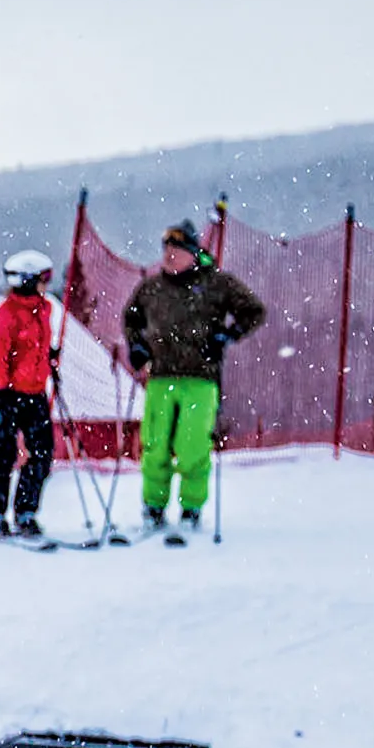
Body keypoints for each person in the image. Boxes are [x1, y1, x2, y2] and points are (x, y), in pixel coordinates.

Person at [121, 220, 264, 536]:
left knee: (192, 446)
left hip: (200, 378)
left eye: (177, 249)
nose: (169, 255)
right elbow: (130, 318)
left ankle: (191, 507)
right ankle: (154, 506)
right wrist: (137, 346)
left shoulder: (216, 284)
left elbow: (254, 310)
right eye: (166, 249)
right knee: (155, 445)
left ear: (193, 253)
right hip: (160, 377)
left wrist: (228, 336)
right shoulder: (152, 288)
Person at [0, 250, 60, 538]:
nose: (47, 284)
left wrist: (48, 355)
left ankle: (26, 510)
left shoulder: (43, 309)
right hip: (8, 393)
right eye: (44, 278)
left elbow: (35, 344)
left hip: (35, 392)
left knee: (42, 453)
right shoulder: (6, 316)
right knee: (4, 453)